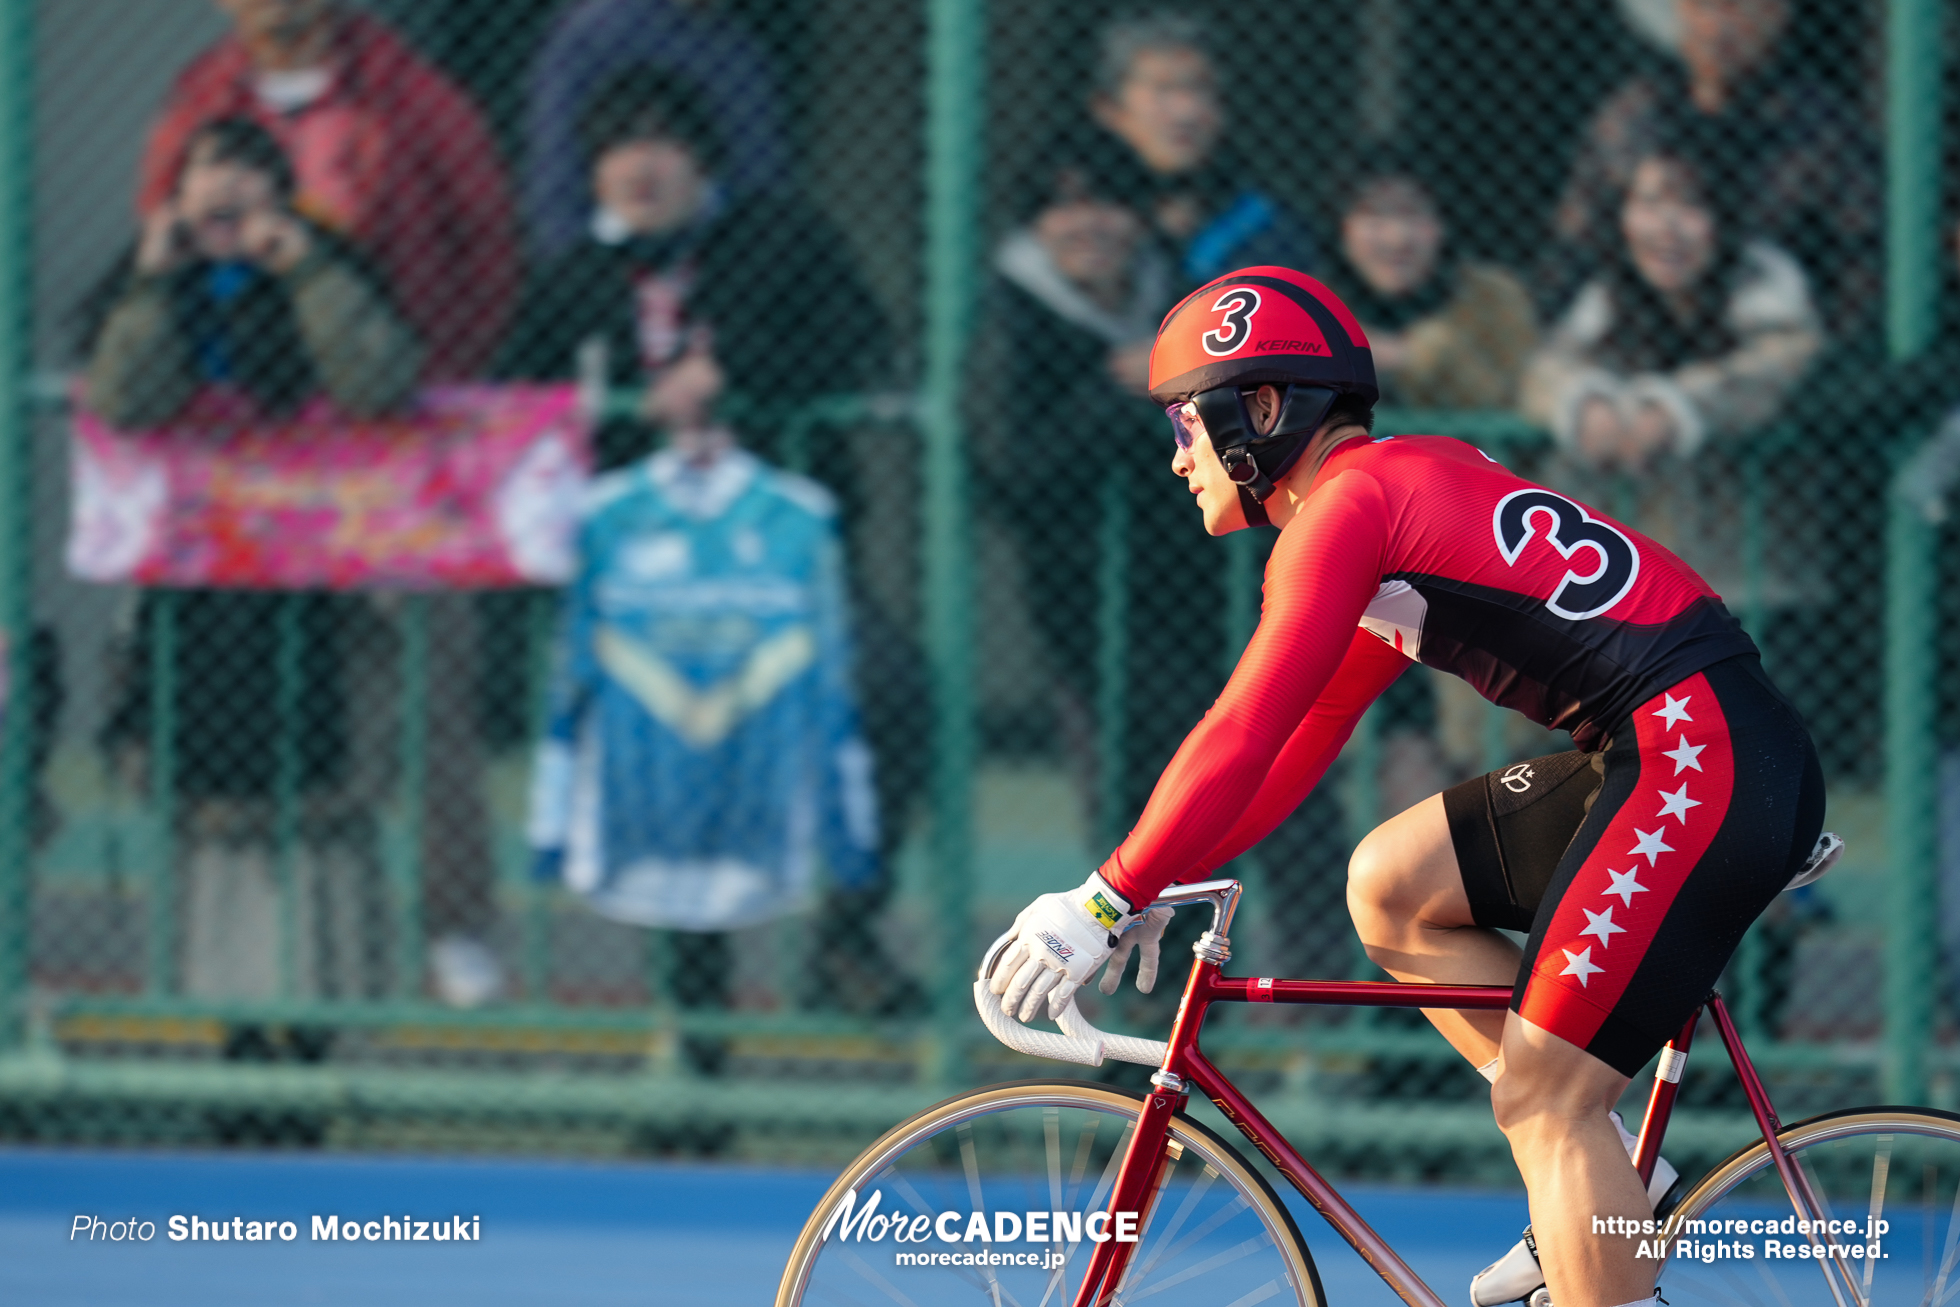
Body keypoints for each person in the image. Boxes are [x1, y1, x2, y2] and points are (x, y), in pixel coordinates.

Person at [982, 265, 1826, 1307]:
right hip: (1695, 744)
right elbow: (1302, 736)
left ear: (1258, 409)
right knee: (1389, 883)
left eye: (1184, 425)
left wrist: (1105, 896)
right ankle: (1608, 1169)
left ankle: (1577, 1150)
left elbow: (1242, 728)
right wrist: (1162, 873)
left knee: (1541, 1097)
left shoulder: (1345, 516)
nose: (1174, 459)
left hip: (1698, 755)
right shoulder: (1385, 495)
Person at [87, 117, 422, 1000]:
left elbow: (376, 381)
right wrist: (157, 284)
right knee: (209, 800)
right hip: (195, 583)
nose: (224, 188)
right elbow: (124, 400)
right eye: (205, 172)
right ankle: (226, 1019)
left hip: (313, 579)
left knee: (317, 796)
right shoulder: (149, 278)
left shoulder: (328, 268)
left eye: (245, 170)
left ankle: (312, 1023)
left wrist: (304, 270)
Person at [499, 66, 886, 474]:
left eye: (662, 145)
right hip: (629, 505)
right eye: (617, 150)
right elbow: (521, 381)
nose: (640, 170)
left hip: (770, 493)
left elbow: (859, 344)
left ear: (703, 161)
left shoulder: (780, 238)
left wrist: (727, 369)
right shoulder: (573, 276)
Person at [136, 0, 519, 380]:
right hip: (236, 391)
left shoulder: (413, 92)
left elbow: (488, 237)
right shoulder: (198, 100)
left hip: (383, 378)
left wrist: (439, 372)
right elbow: (159, 219)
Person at [1521, 146, 1823, 610]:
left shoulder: (1765, 282)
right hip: (1629, 594)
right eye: (1649, 204)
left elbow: (1785, 360)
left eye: (1690, 205)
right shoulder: (1609, 294)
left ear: (1723, 216)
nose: (1668, 227)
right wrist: (1584, 401)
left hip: (1757, 591)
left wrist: (1676, 408)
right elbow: (1544, 369)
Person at [1543, 0, 1877, 331]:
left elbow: (1860, 259)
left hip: (1764, 329)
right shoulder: (1633, 116)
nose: (1716, 27)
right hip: (1640, 331)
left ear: (1776, 16)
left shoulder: (1820, 128)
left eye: (1736, 9)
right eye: (1702, 6)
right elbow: (1574, 245)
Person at [1072, 11, 1317, 390]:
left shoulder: (1260, 223)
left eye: (1201, 89)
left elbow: (1292, 338)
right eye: (1164, 90)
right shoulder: (1069, 219)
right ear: (1109, 109)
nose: (1187, 112)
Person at [520, 0, 790, 259]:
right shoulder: (594, 32)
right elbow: (557, 176)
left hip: (716, 267)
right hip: (612, 269)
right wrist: (577, 277)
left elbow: (762, 179)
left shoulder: (740, 51)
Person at [1321, 157, 1537, 412]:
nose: (1397, 239)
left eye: (1413, 213)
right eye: (1374, 215)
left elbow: (1517, 393)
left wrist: (1424, 354)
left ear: (1442, 223)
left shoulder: (1494, 296)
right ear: (1342, 227)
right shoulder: (1308, 302)